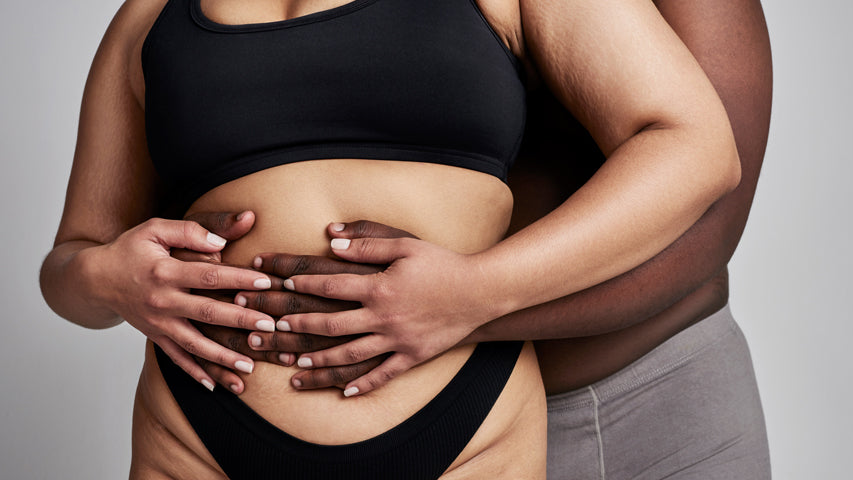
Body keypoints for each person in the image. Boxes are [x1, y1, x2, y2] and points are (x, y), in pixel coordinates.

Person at [40, 0, 741, 478]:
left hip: (462, 430)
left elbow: (695, 147)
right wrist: (107, 279)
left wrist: (478, 292)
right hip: (195, 436)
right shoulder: (150, 13)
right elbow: (72, 256)